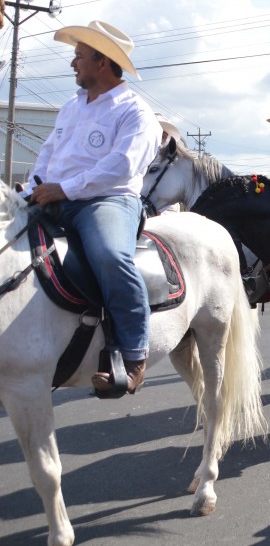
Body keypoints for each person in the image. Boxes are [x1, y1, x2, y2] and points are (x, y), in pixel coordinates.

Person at [29, 21, 162, 395]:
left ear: (102, 62)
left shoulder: (136, 111)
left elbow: (122, 166)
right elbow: (48, 153)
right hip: (55, 195)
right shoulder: (71, 107)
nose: (73, 63)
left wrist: (65, 189)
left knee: (108, 255)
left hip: (107, 200)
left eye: (79, 56)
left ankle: (134, 356)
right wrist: (33, 187)